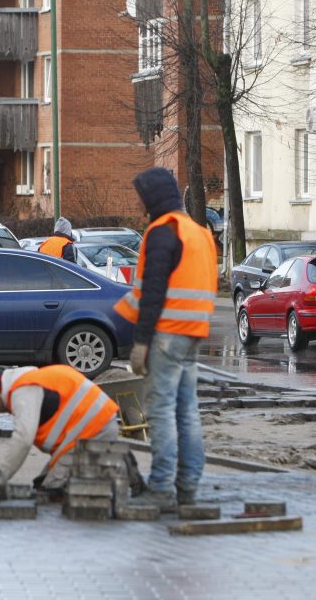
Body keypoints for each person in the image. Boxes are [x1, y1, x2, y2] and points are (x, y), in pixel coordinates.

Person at [113, 167, 217, 510]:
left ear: (153, 196)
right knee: (187, 412)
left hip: (166, 335)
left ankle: (160, 488)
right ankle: (187, 488)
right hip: (191, 335)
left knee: (161, 411)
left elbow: (154, 292)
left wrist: (140, 343)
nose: (137, 201)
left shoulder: (163, 231)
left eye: (140, 194)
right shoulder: (198, 233)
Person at [0, 364, 120, 491]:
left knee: (52, 489)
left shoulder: (23, 391)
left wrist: (2, 476)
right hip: (91, 427)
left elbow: (23, 439)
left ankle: (123, 470)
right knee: (41, 483)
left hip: (96, 428)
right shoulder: (26, 381)